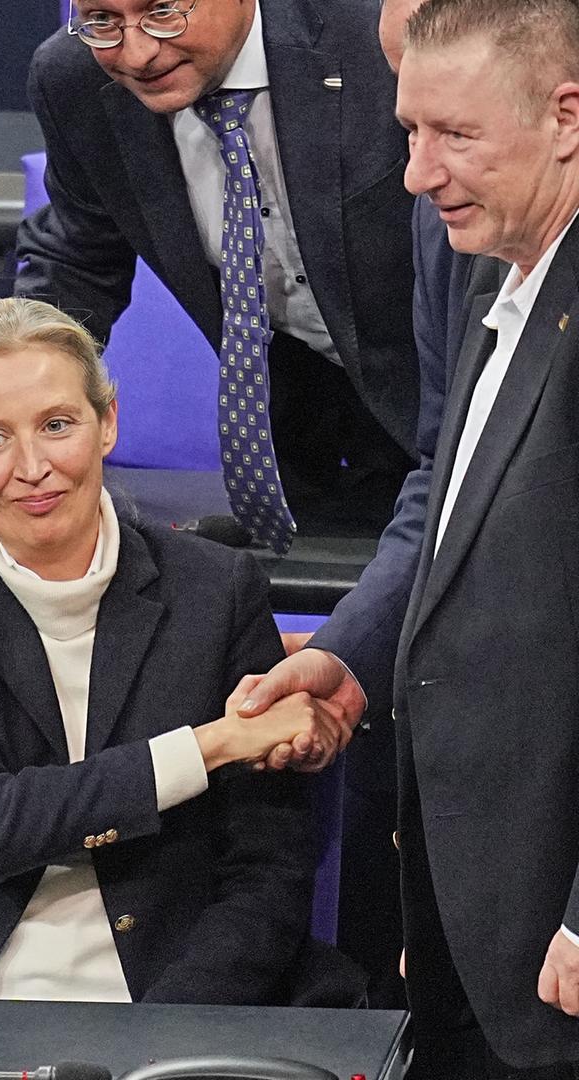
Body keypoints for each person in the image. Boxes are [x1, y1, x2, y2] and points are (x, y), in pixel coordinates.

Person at [0, 298, 346, 1004]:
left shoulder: (217, 586)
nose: (31, 467)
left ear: (107, 422)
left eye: (56, 426)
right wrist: (210, 745)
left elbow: (268, 867)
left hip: (173, 984)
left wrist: (170, 1028)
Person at [307, 1, 579, 1072]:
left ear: (568, 115)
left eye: (455, 136)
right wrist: (352, 656)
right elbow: (445, 494)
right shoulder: (485, 267)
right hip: (473, 907)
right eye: (408, 132)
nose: (418, 176)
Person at [17, 0, 418, 547]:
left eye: (162, 11)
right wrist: (18, 385)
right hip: (296, 450)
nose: (135, 53)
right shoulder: (74, 79)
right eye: (102, 20)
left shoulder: (381, 34)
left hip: (455, 410)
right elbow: (79, 258)